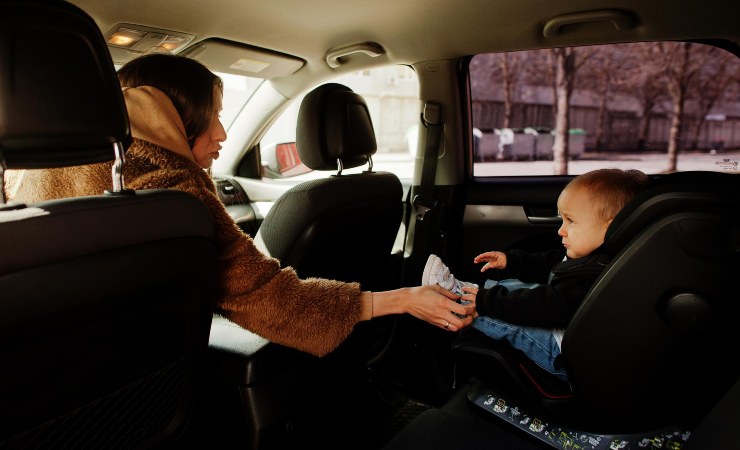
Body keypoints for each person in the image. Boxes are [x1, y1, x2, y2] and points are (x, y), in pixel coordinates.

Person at [7, 53, 474, 357]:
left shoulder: (22, 193)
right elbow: (272, 299)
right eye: (213, 117)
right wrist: (404, 299)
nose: (223, 135)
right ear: (172, 118)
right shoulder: (176, 201)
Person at [422, 168, 649, 382]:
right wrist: (511, 262)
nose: (561, 230)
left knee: (503, 315)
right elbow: (552, 263)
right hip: (567, 326)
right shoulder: (596, 257)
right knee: (513, 285)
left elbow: (547, 306)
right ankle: (468, 291)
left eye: (571, 221)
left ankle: (463, 305)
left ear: (612, 228)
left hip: (564, 355)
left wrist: (486, 302)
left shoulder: (596, 276)